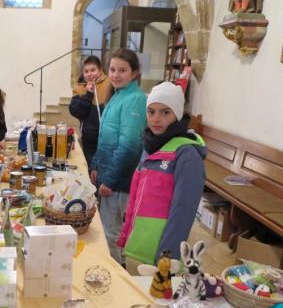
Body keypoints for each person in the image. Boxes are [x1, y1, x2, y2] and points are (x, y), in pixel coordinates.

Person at [117, 82, 207, 269]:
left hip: (160, 258)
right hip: (138, 249)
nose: (156, 118)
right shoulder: (152, 146)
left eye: (165, 112)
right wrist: (126, 238)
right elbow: (136, 200)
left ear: (178, 114)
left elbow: (183, 212)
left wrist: (167, 258)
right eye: (151, 112)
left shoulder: (187, 154)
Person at [89, 48, 148, 266]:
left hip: (120, 180)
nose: (115, 74)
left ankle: (117, 273)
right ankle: (115, 268)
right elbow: (104, 137)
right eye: (112, 69)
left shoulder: (135, 99)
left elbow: (129, 146)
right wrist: (96, 164)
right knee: (109, 229)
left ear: (134, 73)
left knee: (112, 232)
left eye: (122, 70)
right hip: (108, 173)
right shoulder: (116, 95)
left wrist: (110, 180)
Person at [68, 55, 112, 166]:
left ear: (100, 70)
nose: (89, 74)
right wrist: (88, 95)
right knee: (90, 167)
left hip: (107, 138)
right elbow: (76, 111)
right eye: (86, 71)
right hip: (89, 139)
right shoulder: (79, 88)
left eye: (93, 70)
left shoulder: (109, 84)